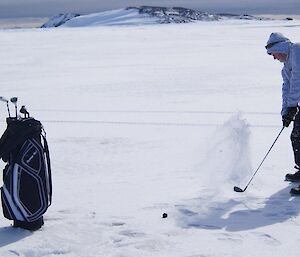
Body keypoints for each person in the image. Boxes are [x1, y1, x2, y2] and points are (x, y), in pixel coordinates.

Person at [266, 32, 300, 195]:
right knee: (296, 136)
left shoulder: (297, 51)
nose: (273, 58)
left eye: (273, 54)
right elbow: (286, 88)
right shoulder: (286, 67)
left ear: (279, 47)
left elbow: (298, 79)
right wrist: (285, 112)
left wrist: (293, 106)